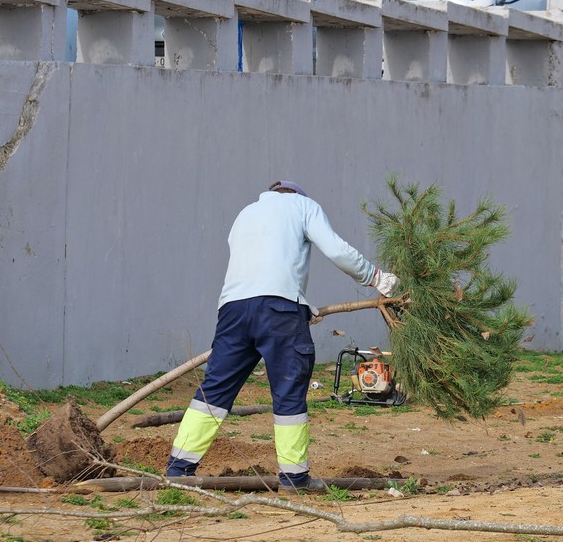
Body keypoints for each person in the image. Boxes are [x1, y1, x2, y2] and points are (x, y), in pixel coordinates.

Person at [165, 180, 399, 492]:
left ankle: (178, 469)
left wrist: (300, 305)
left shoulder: (245, 214)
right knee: (289, 390)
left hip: (233, 310)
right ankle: (294, 479)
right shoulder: (304, 206)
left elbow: (261, 268)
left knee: (215, 389)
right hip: (279, 311)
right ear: (296, 195)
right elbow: (336, 250)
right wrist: (376, 277)